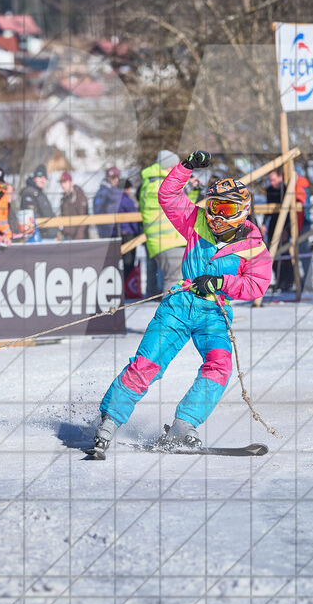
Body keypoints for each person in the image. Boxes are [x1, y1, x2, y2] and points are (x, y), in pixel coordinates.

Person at [91, 151, 272, 455]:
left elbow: (257, 283)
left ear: (242, 211)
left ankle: (184, 425)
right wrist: (185, 167)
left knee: (220, 365)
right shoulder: (196, 221)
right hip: (178, 307)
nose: (216, 215)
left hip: (214, 313)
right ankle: (110, 419)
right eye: (213, 206)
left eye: (225, 209)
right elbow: (168, 196)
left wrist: (222, 283)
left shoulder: (253, 245)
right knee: (148, 363)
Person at [139, 150, 200, 295]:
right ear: (168, 166)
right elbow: (167, 196)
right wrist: (188, 186)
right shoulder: (154, 183)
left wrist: (195, 190)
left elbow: (182, 203)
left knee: (180, 279)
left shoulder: (158, 181)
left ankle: (176, 307)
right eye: (175, 166)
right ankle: (170, 308)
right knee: (174, 280)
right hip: (166, 241)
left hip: (172, 240)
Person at [263, 167, 313, 293]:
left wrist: (287, 229)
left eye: (273, 179)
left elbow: (291, 211)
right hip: (273, 223)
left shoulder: (287, 189)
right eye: (270, 180)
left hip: (285, 224)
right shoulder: (269, 191)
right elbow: (267, 210)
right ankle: (279, 280)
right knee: (272, 252)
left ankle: (288, 281)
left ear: (280, 178)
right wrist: (264, 223)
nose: (271, 182)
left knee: (284, 253)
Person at [19, 165, 57, 240]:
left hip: (49, 236)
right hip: (39, 237)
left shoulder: (40, 194)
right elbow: (31, 218)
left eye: (44, 178)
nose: (43, 180)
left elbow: (48, 213)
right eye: (40, 177)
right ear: (34, 178)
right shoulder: (29, 193)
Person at [118, 179, 141, 274]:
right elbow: (133, 218)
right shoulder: (127, 200)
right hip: (128, 234)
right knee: (129, 262)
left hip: (118, 234)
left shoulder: (112, 199)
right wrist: (137, 232)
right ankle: (127, 280)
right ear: (126, 189)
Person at [93, 166, 122, 238]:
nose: (115, 179)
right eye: (113, 177)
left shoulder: (118, 190)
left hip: (118, 229)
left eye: (117, 177)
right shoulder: (103, 192)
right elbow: (98, 212)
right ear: (108, 178)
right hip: (107, 230)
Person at [59, 172, 89, 240]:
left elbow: (83, 219)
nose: (62, 185)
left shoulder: (80, 196)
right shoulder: (64, 199)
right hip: (67, 238)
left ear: (71, 182)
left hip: (79, 239)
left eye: (65, 182)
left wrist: (78, 239)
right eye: (61, 183)